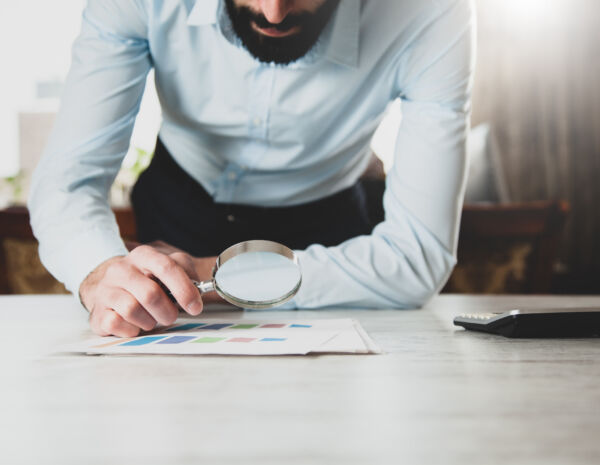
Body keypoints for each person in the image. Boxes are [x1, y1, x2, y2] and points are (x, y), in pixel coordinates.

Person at [29, 0, 475, 337]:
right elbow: (69, 180)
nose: (274, 13)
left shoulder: (432, 11)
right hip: (176, 211)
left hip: (328, 234)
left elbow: (418, 255)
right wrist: (99, 271)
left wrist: (206, 275)